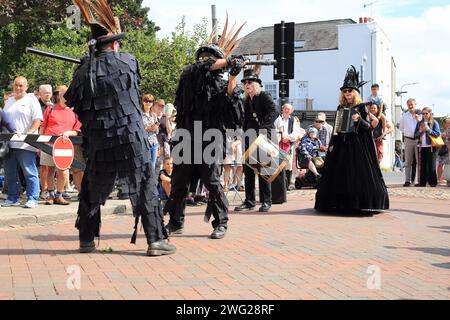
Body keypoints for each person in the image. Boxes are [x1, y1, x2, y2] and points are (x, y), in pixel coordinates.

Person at [64, 0, 174, 256]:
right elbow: (132, 85)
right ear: (114, 43)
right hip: (130, 138)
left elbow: (76, 105)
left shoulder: (81, 73)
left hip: (99, 142)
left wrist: (86, 64)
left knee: (91, 186)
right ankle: (155, 241)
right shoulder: (127, 61)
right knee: (145, 183)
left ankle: (87, 239)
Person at [164, 17, 245, 239]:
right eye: (204, 57)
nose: (206, 60)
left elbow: (232, 108)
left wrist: (234, 76)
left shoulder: (220, 83)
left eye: (211, 57)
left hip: (211, 138)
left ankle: (221, 223)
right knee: (179, 182)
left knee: (212, 182)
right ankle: (176, 222)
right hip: (186, 136)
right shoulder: (189, 76)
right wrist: (228, 61)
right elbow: (202, 67)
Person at [315, 66, 389, 213]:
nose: (347, 93)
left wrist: (359, 120)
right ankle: (338, 203)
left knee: (357, 175)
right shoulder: (340, 107)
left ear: (355, 92)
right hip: (341, 144)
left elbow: (370, 126)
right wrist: (332, 144)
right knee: (338, 174)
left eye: (350, 91)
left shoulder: (362, 108)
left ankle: (357, 203)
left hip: (356, 145)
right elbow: (337, 128)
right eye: (345, 91)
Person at [235, 68, 278, 213]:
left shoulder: (263, 96)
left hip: (264, 136)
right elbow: (244, 119)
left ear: (257, 84)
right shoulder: (246, 100)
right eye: (245, 82)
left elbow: (274, 112)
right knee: (248, 170)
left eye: (250, 82)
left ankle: (266, 201)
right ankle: (249, 201)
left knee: (263, 170)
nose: (247, 84)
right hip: (249, 137)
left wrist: (263, 130)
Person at [2, 76, 43, 208]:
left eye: (21, 85)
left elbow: (38, 119)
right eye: (16, 85)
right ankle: (13, 198)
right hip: (9, 144)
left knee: (29, 172)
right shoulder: (8, 101)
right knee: (10, 173)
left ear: (26, 86)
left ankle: (32, 198)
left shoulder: (32, 100)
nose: (18, 88)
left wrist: (30, 132)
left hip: (26, 143)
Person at [39, 85, 81, 205]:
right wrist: (40, 145)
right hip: (48, 143)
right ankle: (51, 195)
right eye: (64, 95)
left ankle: (59, 195)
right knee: (50, 170)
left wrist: (68, 133)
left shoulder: (74, 111)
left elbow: (77, 130)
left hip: (64, 145)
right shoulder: (50, 109)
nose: (66, 97)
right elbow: (42, 127)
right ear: (59, 96)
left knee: (63, 171)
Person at [274, 103, 301, 190]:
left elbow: (295, 132)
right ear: (282, 109)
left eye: (288, 109)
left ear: (291, 111)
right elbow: (275, 129)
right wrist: (281, 137)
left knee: (288, 164)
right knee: (278, 164)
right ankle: (279, 185)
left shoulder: (293, 120)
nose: (286, 110)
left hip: (289, 144)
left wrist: (287, 138)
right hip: (278, 144)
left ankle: (287, 184)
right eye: (285, 108)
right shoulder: (277, 118)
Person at [414, 107, 441, 187]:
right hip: (421, 146)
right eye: (423, 113)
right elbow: (415, 135)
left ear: (430, 113)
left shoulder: (434, 122)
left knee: (431, 165)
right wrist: (420, 131)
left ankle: (433, 182)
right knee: (422, 165)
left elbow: (437, 134)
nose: (424, 115)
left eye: (426, 113)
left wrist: (429, 130)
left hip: (431, 146)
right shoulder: (419, 123)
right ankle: (422, 183)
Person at [399, 98, 422, 186]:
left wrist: (417, 120)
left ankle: (419, 181)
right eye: (408, 104)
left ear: (415, 104)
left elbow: (423, 126)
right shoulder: (404, 116)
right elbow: (401, 128)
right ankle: (407, 180)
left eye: (412, 104)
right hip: (408, 140)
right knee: (408, 162)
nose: (410, 106)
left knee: (418, 161)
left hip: (418, 140)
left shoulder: (420, 115)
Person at [141, 94, 159, 171]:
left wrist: (155, 128)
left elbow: (157, 131)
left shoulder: (154, 115)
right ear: (143, 102)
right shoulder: (139, 115)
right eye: (146, 101)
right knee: (145, 165)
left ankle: (151, 182)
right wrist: (148, 128)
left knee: (153, 165)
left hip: (154, 143)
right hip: (145, 143)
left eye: (150, 101)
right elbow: (139, 129)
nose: (148, 103)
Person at [437, 117, 450, 184]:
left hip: (448, 149)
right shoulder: (442, 130)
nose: (448, 124)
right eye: (447, 123)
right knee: (440, 164)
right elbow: (439, 137)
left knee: (447, 165)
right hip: (443, 149)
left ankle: (446, 178)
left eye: (449, 123)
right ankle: (439, 179)